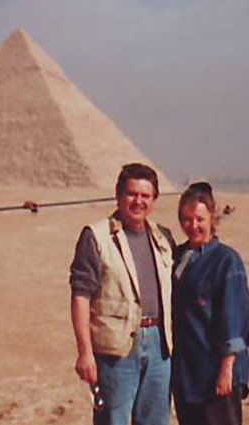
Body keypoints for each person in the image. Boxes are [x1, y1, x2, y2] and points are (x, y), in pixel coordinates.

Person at [69, 163, 174, 425]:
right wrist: (85, 352)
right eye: (132, 194)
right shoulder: (96, 236)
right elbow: (81, 296)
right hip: (116, 349)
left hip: (160, 346)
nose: (138, 201)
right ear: (118, 196)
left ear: (154, 200)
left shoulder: (163, 238)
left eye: (145, 195)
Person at [172, 182, 249, 425]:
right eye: (186, 219)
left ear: (211, 217)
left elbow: (234, 320)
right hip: (187, 373)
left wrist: (227, 369)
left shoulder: (226, 261)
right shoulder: (177, 257)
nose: (192, 226)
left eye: (199, 219)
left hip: (216, 373)